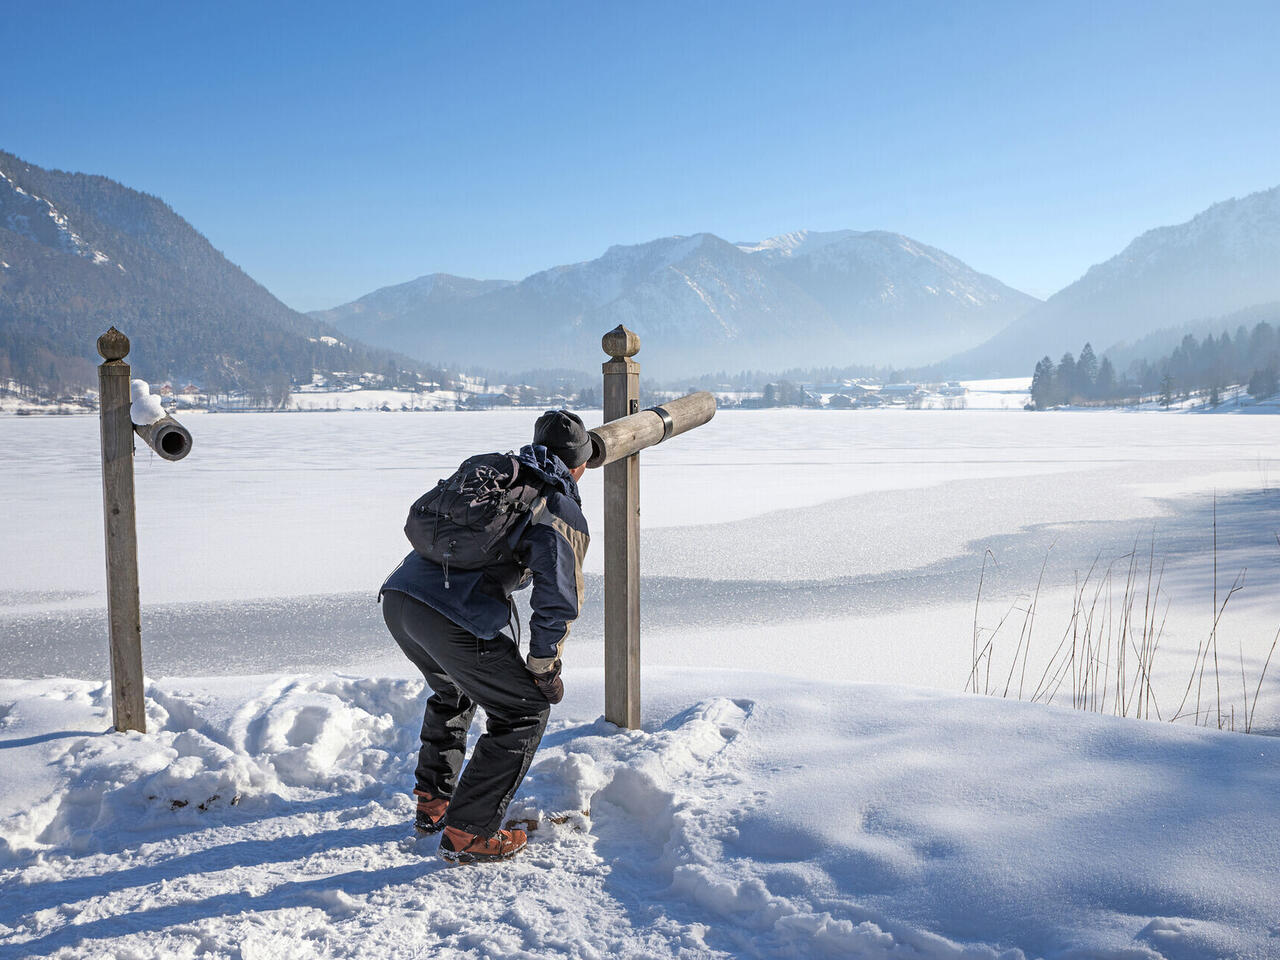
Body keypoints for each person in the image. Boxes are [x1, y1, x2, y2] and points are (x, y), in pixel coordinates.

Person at [380, 410, 591, 863]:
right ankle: (469, 834)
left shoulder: (498, 477)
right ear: (580, 466)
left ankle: (434, 804)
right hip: (449, 615)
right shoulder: (555, 506)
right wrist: (544, 668)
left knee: (453, 689)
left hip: (401, 597)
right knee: (523, 711)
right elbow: (557, 599)